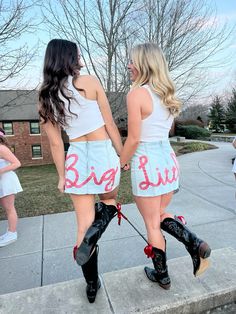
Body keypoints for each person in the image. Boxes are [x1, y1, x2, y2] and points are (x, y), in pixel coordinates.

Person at [120, 43, 211, 290]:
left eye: (132, 61)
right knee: (159, 216)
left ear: (144, 64)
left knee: (151, 224)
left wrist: (121, 162)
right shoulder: (167, 94)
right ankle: (194, 243)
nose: (129, 65)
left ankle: (164, 275)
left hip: (147, 165)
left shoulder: (136, 94)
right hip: (168, 163)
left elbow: (135, 139)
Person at [38, 39, 123, 303]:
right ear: (69, 57)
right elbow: (109, 122)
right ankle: (95, 234)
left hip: (76, 157)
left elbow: (54, 143)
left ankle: (91, 284)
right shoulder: (89, 82)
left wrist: (63, 176)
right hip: (101, 152)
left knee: (82, 226)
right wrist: (122, 154)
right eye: (77, 53)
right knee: (109, 202)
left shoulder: (45, 95)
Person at [0, 127, 22, 247]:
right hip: (2, 181)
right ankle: (9, 231)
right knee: (6, 208)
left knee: (9, 208)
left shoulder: (2, 148)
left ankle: (12, 234)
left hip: (6, 181)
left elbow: (17, 163)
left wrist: (0, 170)